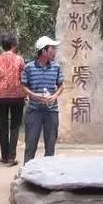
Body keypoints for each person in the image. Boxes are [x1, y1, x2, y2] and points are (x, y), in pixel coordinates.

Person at [21, 36, 64, 164]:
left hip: (51, 111)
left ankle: (48, 171)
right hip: (34, 111)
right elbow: (23, 86)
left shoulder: (56, 67)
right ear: (44, 51)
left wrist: (54, 96)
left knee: (50, 146)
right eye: (52, 48)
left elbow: (61, 86)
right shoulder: (29, 67)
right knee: (31, 144)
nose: (55, 51)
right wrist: (33, 95)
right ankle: (27, 170)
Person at [0, 34, 26, 165]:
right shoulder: (20, 60)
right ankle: (11, 157)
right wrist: (26, 94)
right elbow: (23, 78)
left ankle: (4, 156)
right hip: (17, 96)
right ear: (14, 45)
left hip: (0, 96)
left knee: (3, 126)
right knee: (15, 126)